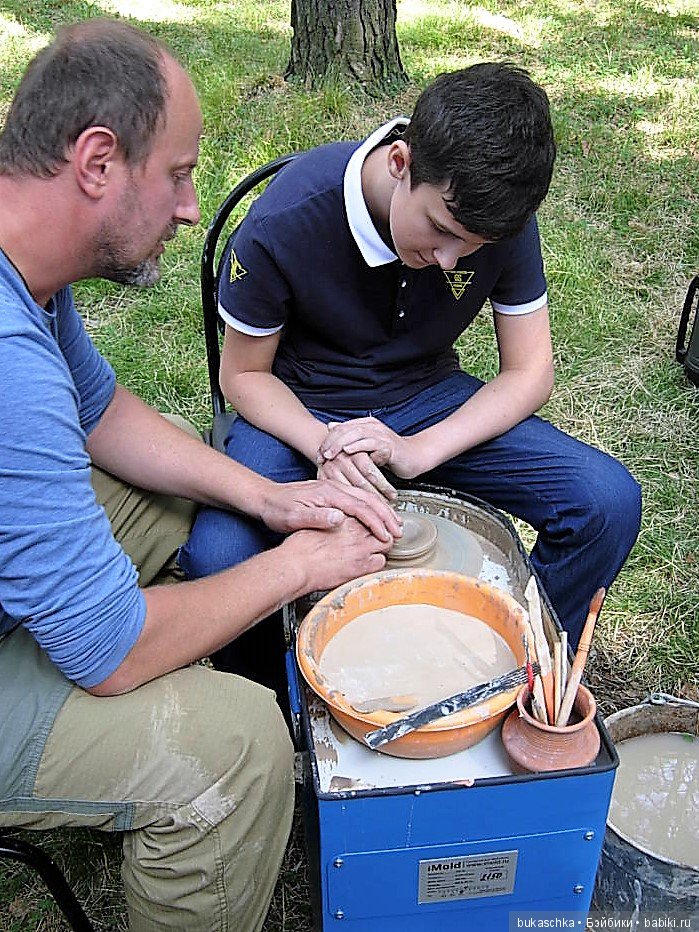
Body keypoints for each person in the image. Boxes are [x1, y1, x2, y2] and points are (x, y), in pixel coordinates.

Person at [0, 19, 401, 932]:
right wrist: (302, 562)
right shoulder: (7, 370)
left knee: (182, 469)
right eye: (177, 174)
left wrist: (268, 495)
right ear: (97, 161)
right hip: (96, 649)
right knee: (241, 747)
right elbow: (112, 656)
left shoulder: (24, 267)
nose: (190, 208)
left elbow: (101, 414)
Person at [182, 62, 642, 651]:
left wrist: (416, 450)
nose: (451, 260)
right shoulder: (286, 220)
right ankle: (290, 707)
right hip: (300, 408)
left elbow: (530, 373)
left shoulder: (495, 218)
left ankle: (518, 663)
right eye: (440, 229)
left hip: (426, 398)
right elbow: (242, 375)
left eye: (472, 247)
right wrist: (324, 443)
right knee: (217, 559)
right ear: (400, 164)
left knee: (606, 502)